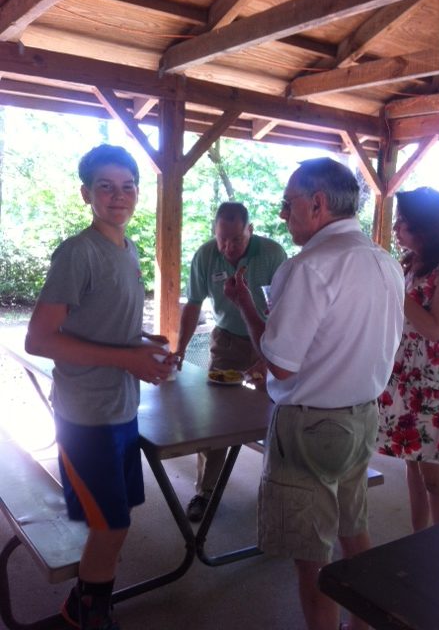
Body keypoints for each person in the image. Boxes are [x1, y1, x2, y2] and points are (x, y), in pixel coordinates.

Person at [223, 157, 404, 630]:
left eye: (288, 203)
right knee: (353, 526)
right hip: (362, 416)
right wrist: (250, 306)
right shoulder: (384, 262)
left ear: (317, 203)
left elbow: (281, 361)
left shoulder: (308, 266)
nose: (284, 214)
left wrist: (246, 309)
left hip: (310, 425)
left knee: (311, 556)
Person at [25, 144, 176, 630]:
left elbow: (103, 324)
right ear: (86, 193)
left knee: (116, 517)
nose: (119, 195)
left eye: (128, 186)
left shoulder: (128, 250)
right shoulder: (78, 252)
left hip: (121, 407)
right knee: (110, 525)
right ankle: (87, 614)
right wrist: (128, 358)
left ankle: (84, 603)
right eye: (106, 187)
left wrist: (144, 344)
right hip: (85, 414)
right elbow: (39, 339)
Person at [176, 201, 287, 522]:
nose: (228, 247)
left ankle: (277, 488)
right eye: (222, 238)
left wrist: (270, 356)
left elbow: (285, 308)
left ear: (250, 230)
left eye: (236, 239)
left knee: (275, 416)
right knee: (216, 418)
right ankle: (205, 491)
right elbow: (193, 304)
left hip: (269, 340)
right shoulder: (205, 255)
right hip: (227, 341)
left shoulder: (272, 254)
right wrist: (180, 348)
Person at [377, 187, 439, 532]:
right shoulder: (411, 261)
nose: (396, 228)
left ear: (426, 225)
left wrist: (396, 291)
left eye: (403, 221)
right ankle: (418, 540)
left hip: (437, 376)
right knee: (413, 464)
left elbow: (436, 329)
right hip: (405, 369)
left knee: (435, 474)